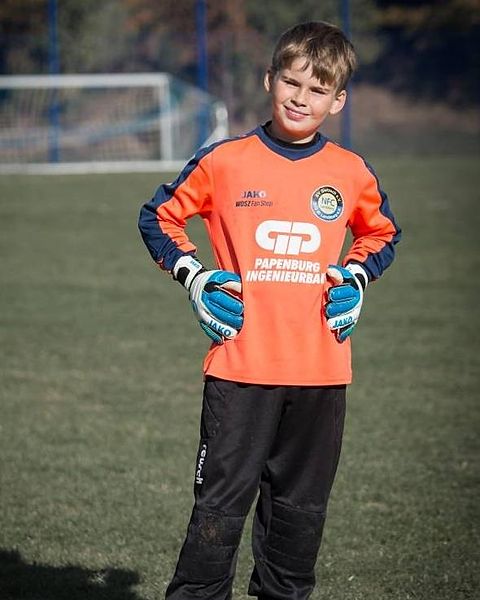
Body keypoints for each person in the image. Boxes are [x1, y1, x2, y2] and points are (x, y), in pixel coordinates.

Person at [138, 20, 401, 600]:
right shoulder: (225, 161)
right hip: (240, 368)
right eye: (291, 82)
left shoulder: (351, 171)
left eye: (318, 90)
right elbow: (158, 217)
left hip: (321, 374)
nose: (301, 98)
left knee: (299, 517)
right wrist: (194, 275)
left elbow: (381, 233)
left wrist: (356, 276)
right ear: (269, 80)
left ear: (338, 101)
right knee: (218, 512)